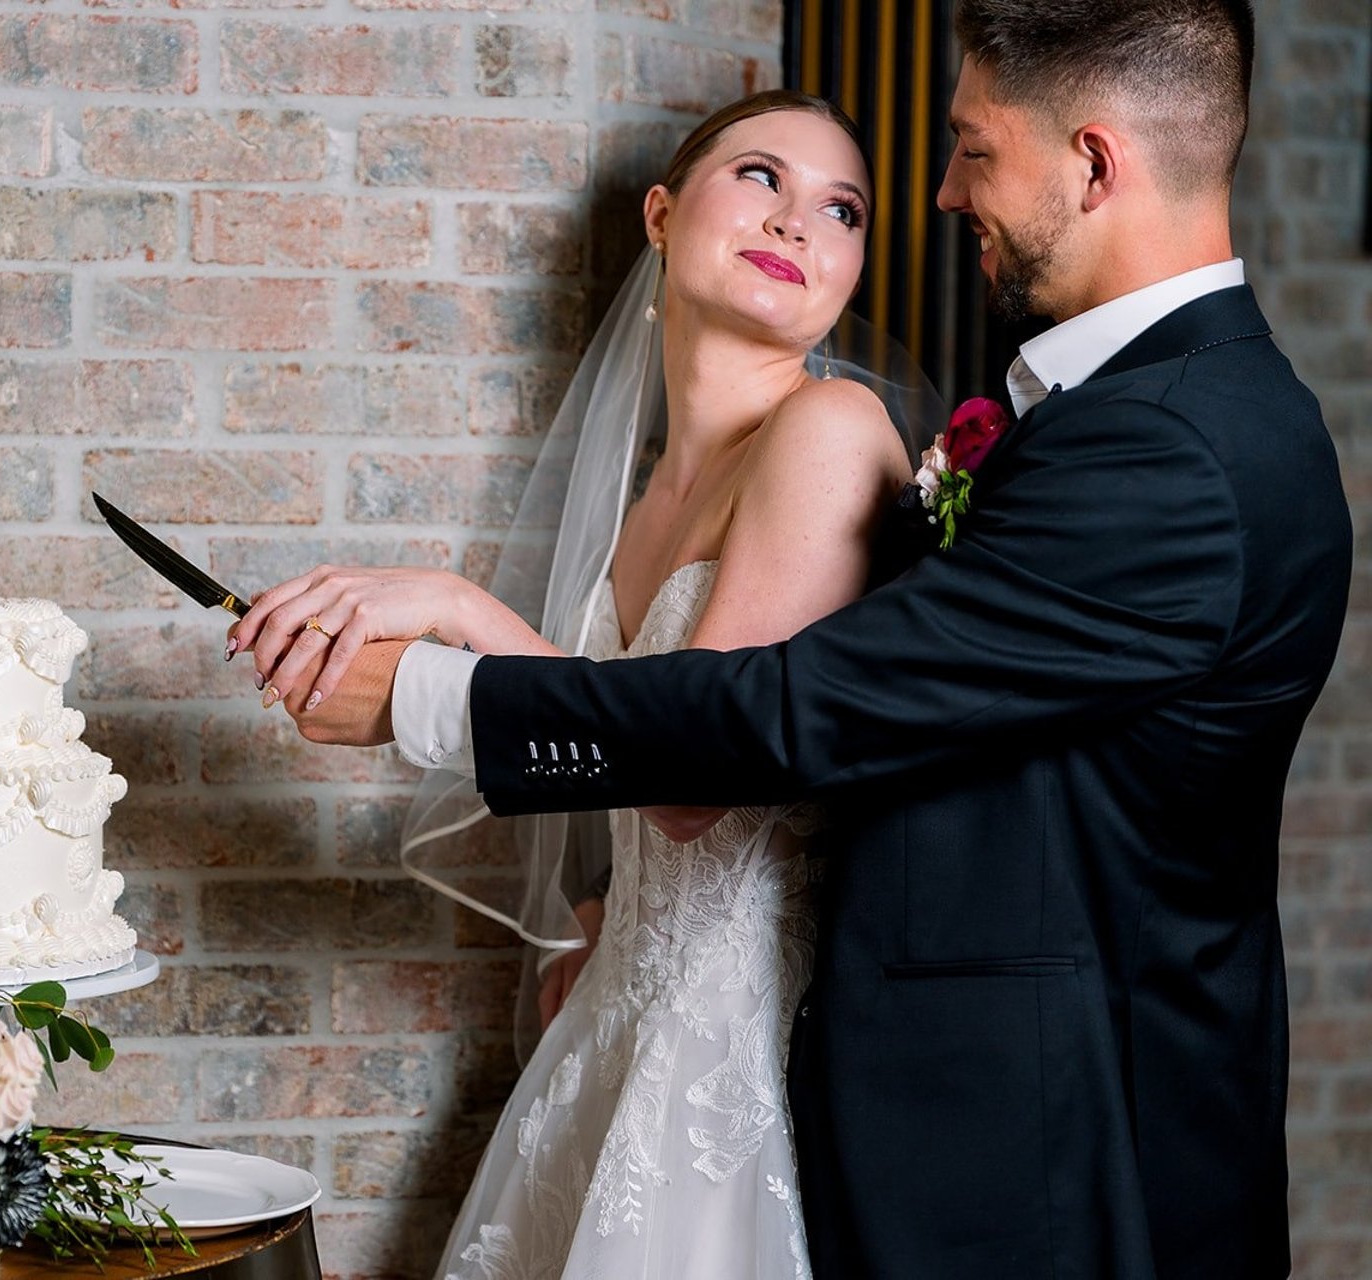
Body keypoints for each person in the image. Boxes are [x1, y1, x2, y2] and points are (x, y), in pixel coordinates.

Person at [249, 1, 1355, 1276]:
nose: (944, 193)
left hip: (1056, 1161)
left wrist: (433, 693)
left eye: (972, 150)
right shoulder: (1148, 413)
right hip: (927, 1108)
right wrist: (620, 910)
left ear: (1094, 164)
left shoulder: (1171, 447)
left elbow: (779, 713)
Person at [234, 90, 924, 1277]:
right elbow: (633, 771)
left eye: (842, 209)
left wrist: (458, 612)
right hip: (617, 1022)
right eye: (761, 176)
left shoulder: (830, 427)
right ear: (660, 214)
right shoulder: (644, 495)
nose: (797, 221)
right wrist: (603, 917)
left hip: (747, 1054)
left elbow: (701, 772)